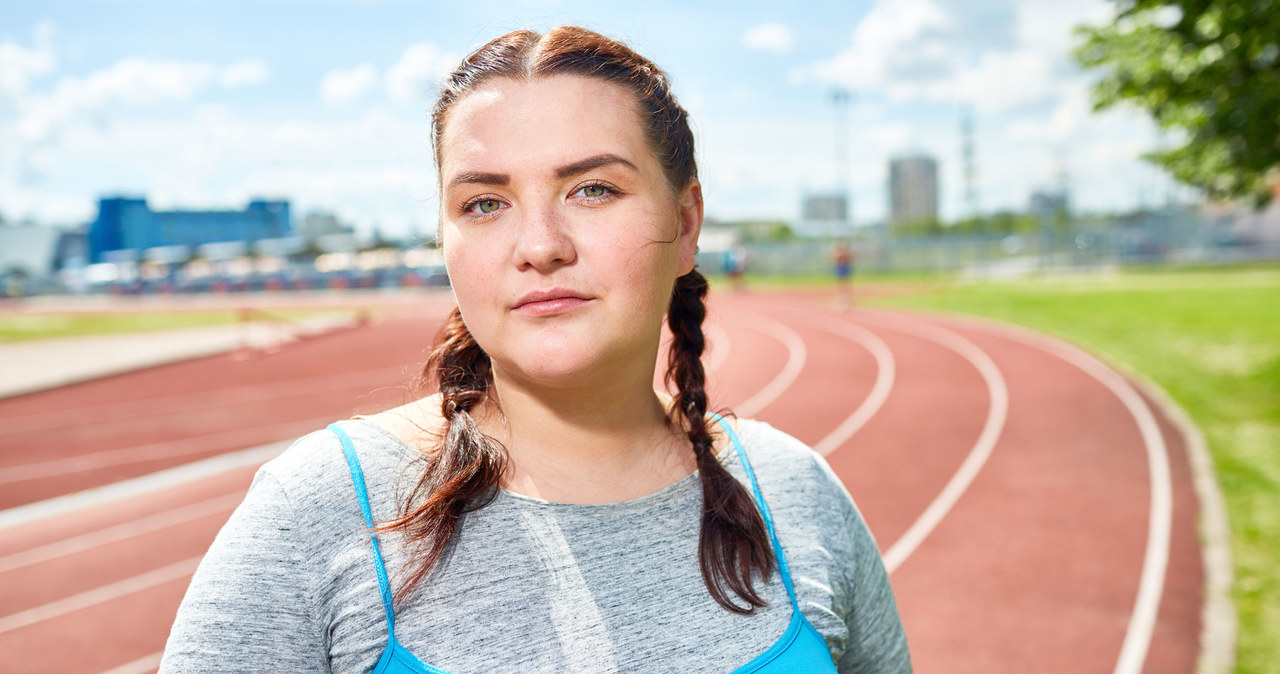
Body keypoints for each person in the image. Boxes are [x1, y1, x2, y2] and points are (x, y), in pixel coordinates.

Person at [161, 26, 911, 673]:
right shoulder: (318, 516)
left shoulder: (796, 495)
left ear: (686, 224)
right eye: (484, 203)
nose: (540, 247)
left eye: (592, 190)